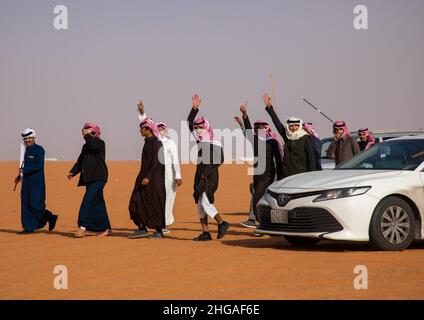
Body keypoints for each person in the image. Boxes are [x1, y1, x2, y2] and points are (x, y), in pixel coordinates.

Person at [187, 94, 229, 241]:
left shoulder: (213, 141)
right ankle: (205, 232)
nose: (198, 129)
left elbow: (220, 159)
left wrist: (207, 172)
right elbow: (189, 122)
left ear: (206, 126)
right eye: (196, 127)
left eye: (201, 126)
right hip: (199, 174)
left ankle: (222, 223)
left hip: (210, 175)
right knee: (199, 202)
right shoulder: (200, 140)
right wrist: (194, 108)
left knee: (206, 200)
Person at [136, 100, 182, 234]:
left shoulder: (170, 143)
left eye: (163, 128)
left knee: (167, 198)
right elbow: (146, 123)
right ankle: (160, 224)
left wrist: (178, 176)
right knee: (158, 198)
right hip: (155, 174)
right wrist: (141, 112)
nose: (160, 130)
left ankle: (165, 225)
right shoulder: (155, 141)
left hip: (169, 175)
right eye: (159, 128)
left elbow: (175, 160)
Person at [238, 101, 283, 228]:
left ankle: (261, 224)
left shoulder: (273, 142)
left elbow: (279, 161)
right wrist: (245, 115)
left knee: (257, 199)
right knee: (260, 200)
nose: (259, 129)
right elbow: (247, 130)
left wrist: (280, 178)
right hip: (257, 175)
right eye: (257, 128)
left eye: (262, 127)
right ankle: (265, 224)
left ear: (267, 128)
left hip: (268, 175)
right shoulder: (255, 140)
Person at [68, 123, 112, 238]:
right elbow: (80, 160)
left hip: (99, 178)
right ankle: (106, 228)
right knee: (98, 204)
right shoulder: (86, 146)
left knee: (87, 201)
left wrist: (87, 135)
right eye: (87, 134)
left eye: (91, 133)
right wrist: (73, 171)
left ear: (95, 134)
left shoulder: (100, 143)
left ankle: (82, 227)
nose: (88, 136)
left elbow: (93, 145)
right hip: (89, 179)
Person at [128, 117, 166, 239]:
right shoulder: (147, 141)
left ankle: (159, 231)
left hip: (154, 180)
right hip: (143, 177)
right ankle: (142, 228)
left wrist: (148, 177)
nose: (140, 131)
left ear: (147, 129)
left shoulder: (157, 143)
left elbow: (156, 162)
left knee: (154, 204)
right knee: (136, 201)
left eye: (141, 128)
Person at [262, 93, 317, 177]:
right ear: (288, 126)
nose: (294, 128)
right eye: (291, 126)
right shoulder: (287, 136)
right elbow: (277, 123)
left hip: (302, 174)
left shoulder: (306, 138)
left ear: (299, 126)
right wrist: (270, 107)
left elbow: (311, 158)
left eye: (296, 125)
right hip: (287, 174)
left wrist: (312, 176)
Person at [15, 128, 58, 234]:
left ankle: (49, 217)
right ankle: (28, 228)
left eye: (29, 138)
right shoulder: (25, 151)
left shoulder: (39, 149)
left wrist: (25, 170)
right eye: (25, 139)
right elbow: (23, 166)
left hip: (36, 183)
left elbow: (39, 166)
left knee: (35, 205)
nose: (27, 140)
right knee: (25, 205)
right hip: (26, 183)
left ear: (34, 138)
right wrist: (19, 176)